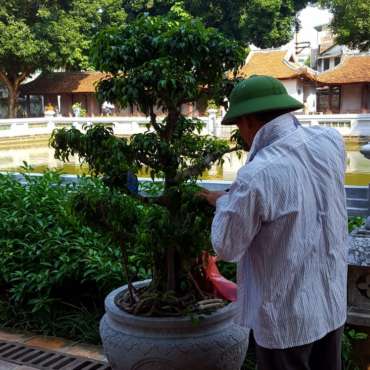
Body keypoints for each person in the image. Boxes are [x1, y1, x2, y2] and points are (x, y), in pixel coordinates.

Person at [198, 75, 348, 370]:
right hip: (330, 302)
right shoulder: (331, 141)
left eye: (239, 125)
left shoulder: (256, 174)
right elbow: (300, 190)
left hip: (285, 317)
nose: (241, 135)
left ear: (250, 121)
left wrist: (224, 201)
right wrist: (235, 198)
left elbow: (227, 246)